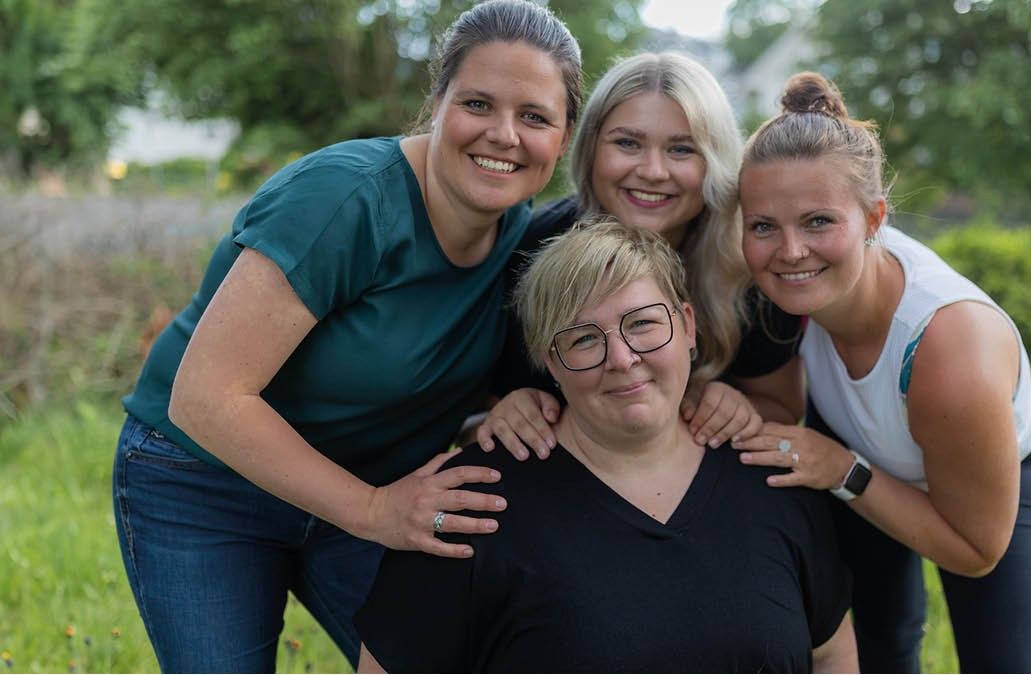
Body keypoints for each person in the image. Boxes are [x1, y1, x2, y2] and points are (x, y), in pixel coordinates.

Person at [110, 2, 581, 671]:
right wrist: (371, 510)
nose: (504, 134)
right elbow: (205, 395)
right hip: (205, 479)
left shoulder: (523, 238)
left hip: (368, 484)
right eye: (479, 103)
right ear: (437, 102)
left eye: (534, 116)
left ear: (563, 139)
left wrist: (490, 410)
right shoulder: (344, 198)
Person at [354, 220, 857, 673]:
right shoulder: (473, 503)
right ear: (549, 362)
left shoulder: (772, 480)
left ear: (686, 325)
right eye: (583, 339)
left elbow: (831, 656)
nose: (621, 357)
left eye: (642, 323)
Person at [733, 72, 1031, 673]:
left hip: (983, 468)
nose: (790, 251)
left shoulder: (949, 351)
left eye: (819, 222)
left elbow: (977, 551)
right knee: (879, 646)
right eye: (763, 226)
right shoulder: (767, 292)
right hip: (861, 441)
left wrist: (840, 469)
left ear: (875, 218)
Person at [475, 51, 805, 460]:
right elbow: (477, 413)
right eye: (628, 143)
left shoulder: (749, 264)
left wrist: (738, 406)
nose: (652, 171)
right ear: (590, 148)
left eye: (681, 150)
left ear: (714, 161)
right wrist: (509, 407)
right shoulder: (534, 250)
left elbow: (784, 409)